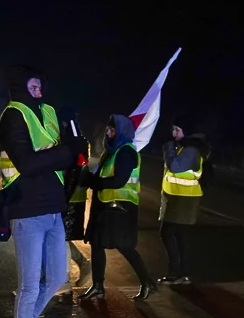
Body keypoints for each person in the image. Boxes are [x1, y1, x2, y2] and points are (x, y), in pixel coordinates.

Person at [0, 66, 87, 318]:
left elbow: (64, 157)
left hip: (52, 209)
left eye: (41, 86)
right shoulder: (13, 115)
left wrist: (74, 146)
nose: (39, 92)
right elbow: (28, 163)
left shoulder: (47, 112)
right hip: (27, 208)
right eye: (33, 87)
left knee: (59, 276)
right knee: (30, 285)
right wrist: (67, 152)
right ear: (20, 87)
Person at [80, 114, 156, 301]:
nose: (109, 132)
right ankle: (98, 286)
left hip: (121, 210)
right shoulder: (111, 152)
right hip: (105, 207)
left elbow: (119, 181)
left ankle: (147, 283)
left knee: (125, 247)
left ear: (122, 131)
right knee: (97, 245)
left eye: (112, 129)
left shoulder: (126, 152)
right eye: (108, 129)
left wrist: (93, 181)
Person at [157, 117, 211, 285]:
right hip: (179, 197)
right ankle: (182, 274)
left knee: (167, 233)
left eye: (177, 130)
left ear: (187, 131)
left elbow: (175, 167)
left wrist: (168, 146)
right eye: (173, 129)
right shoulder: (186, 147)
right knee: (180, 236)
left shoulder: (191, 149)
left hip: (183, 199)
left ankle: (175, 273)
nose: (174, 133)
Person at [57, 105, 93, 293]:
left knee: (60, 238)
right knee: (61, 237)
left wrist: (63, 197)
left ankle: (64, 282)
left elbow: (70, 174)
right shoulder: (80, 141)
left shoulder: (71, 142)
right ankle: (81, 263)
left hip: (69, 197)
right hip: (74, 196)